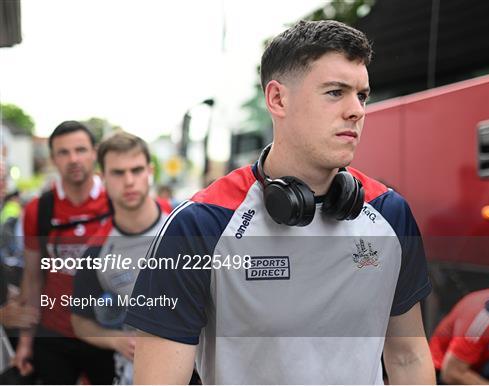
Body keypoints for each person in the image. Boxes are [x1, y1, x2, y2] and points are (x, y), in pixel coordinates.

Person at [127, 20, 435, 384]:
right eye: (335, 92)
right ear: (277, 99)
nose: (357, 110)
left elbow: (408, 357)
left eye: (362, 95)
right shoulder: (201, 223)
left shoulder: (389, 212)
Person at [14, 121, 115, 384]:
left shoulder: (116, 202)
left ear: (95, 152)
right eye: (64, 152)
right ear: (53, 159)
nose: (73, 159)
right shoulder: (39, 210)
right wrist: (25, 342)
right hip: (53, 335)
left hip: (105, 334)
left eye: (80, 150)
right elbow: (33, 279)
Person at [71, 132, 168, 384]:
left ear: (150, 171)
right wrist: (115, 339)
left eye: (136, 170)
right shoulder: (96, 251)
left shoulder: (187, 225)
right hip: (135, 375)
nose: (129, 181)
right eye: (117, 172)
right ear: (102, 178)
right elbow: (80, 321)